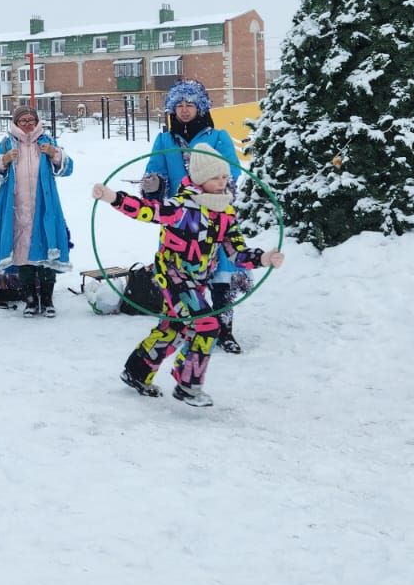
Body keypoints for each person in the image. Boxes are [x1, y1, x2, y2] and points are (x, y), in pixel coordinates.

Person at [93, 150, 283, 407]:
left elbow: (236, 253)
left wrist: (263, 258)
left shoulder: (226, 213)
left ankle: (136, 372)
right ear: (200, 178)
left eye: (225, 177)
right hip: (173, 276)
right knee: (207, 324)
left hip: (198, 280)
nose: (222, 182)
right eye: (215, 177)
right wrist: (112, 197)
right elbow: (146, 210)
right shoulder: (181, 207)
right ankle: (188, 384)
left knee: (173, 328)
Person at [144, 80, 247, 353]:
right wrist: (153, 183)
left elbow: (232, 171)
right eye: (179, 105)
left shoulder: (218, 136)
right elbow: (156, 169)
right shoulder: (165, 139)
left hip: (213, 214)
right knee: (180, 274)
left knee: (220, 274)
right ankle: (187, 325)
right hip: (182, 219)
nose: (185, 110)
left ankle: (225, 331)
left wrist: (215, 188)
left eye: (190, 104)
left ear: (200, 107)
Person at [0, 103, 74, 317]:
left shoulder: (47, 141)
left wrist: (54, 154)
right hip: (16, 208)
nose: (28, 125)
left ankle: (47, 299)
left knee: (47, 250)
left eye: (31, 121)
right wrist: (3, 161)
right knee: (22, 253)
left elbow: (69, 168)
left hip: (44, 207)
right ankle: (30, 299)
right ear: (16, 124)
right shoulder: (6, 144)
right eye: (23, 121)